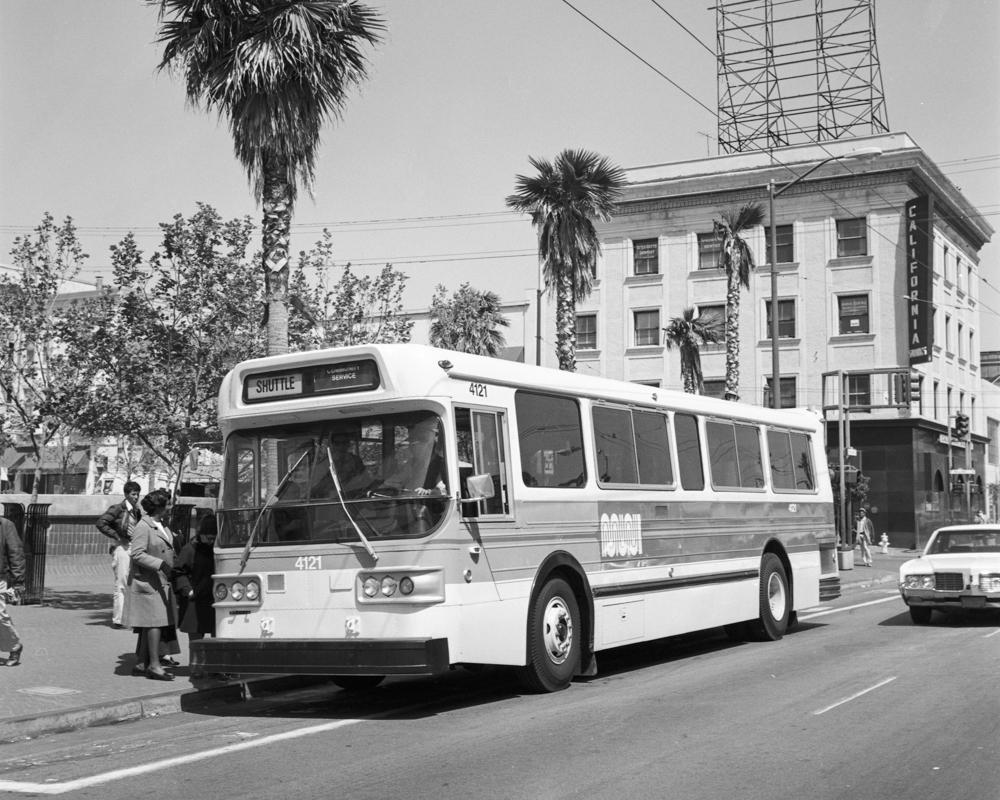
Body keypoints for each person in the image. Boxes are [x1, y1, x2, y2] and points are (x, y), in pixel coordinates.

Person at [124, 489, 179, 681]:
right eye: (168, 504)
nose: (171, 507)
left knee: (153, 623)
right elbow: (137, 553)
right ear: (160, 506)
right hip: (149, 581)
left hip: (161, 582)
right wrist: (161, 565)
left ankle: (141, 663)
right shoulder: (143, 526)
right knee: (155, 622)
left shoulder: (161, 524)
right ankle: (154, 666)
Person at [173, 514, 218, 677]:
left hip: (213, 598)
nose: (211, 541)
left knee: (217, 634)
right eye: (209, 537)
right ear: (201, 534)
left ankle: (216, 667)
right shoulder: (189, 549)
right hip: (195, 599)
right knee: (196, 637)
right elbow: (178, 571)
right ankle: (197, 667)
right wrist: (187, 590)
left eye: (214, 537)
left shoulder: (217, 549)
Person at [96, 481, 142, 628]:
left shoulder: (137, 511)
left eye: (137, 494)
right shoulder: (118, 509)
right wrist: (117, 536)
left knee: (132, 583)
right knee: (121, 583)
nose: (136, 497)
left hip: (133, 547)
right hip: (122, 547)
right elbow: (101, 523)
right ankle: (119, 619)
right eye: (133, 494)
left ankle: (129, 617)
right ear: (126, 494)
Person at [0, 515, 25, 667]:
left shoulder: (5, 525)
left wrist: (18, 582)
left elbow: (16, 553)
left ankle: (14, 645)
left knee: (0, 616)